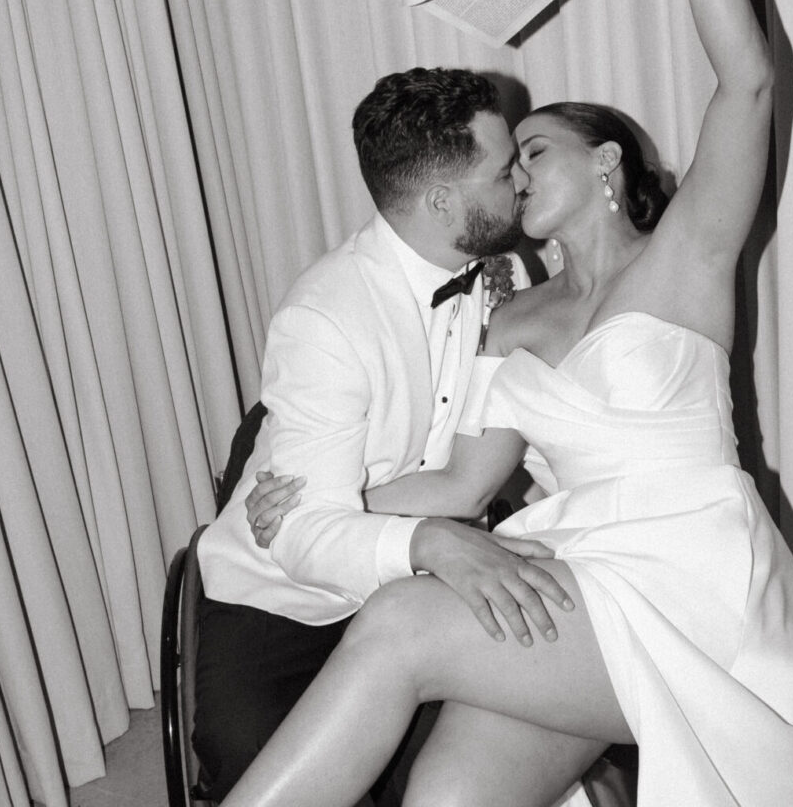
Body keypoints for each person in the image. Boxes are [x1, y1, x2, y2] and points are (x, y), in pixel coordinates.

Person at [228, 0, 793, 807]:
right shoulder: (505, 315)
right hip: (573, 581)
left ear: (605, 164)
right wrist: (311, 493)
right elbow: (460, 483)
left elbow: (751, 78)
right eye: (506, 161)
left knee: (399, 628)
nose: (512, 174)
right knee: (450, 798)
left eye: (533, 151)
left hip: (696, 587)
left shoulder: (687, 258)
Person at [193, 67, 573, 801]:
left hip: (416, 591)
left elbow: (508, 437)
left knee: (463, 777)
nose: (521, 183)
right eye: (504, 172)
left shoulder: (504, 274)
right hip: (282, 599)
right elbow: (302, 535)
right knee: (264, 765)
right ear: (441, 201)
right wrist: (428, 536)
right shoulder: (326, 318)